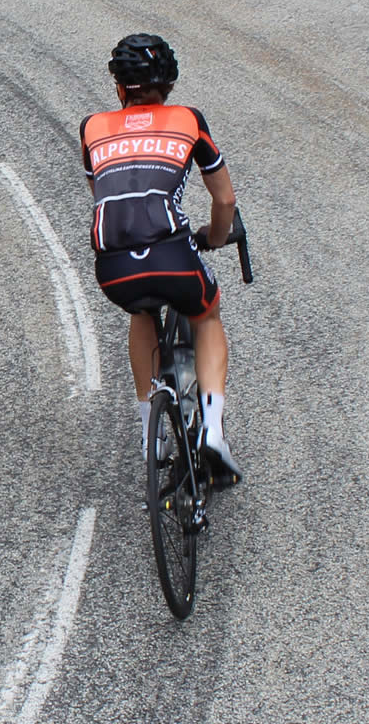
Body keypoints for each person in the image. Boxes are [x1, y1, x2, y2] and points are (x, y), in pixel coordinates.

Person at [80, 34, 242, 484]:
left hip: (112, 266)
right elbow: (224, 200)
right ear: (168, 85)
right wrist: (213, 236)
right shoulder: (188, 119)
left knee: (141, 310)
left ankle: (149, 430)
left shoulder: (92, 127)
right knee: (206, 313)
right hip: (170, 253)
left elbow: (105, 196)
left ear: (119, 88)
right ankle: (211, 428)